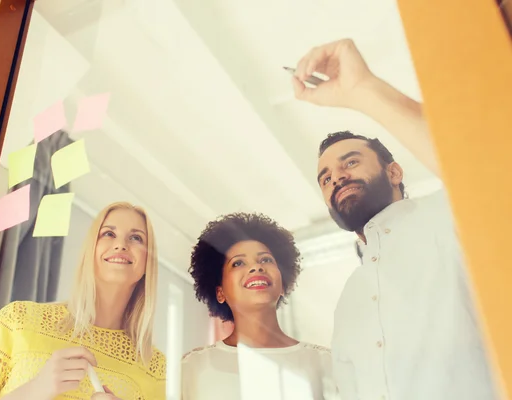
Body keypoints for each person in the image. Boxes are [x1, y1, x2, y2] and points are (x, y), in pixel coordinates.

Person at [291, 39, 499, 399]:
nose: (336, 177)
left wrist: (363, 90)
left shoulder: (447, 213)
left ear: (395, 172)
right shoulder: (349, 300)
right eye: (325, 178)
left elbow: (481, 168)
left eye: (350, 162)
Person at [0, 202, 166, 400]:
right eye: (108, 233)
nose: (121, 244)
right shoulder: (18, 320)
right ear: (91, 248)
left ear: (148, 261)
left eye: (136, 238)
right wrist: (33, 391)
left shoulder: (156, 369)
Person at [182, 212, 339, 400]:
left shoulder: (325, 363)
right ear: (220, 292)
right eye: (238, 263)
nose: (256, 267)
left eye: (265, 259)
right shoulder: (194, 367)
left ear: (283, 284)